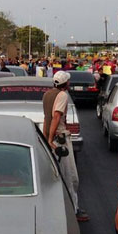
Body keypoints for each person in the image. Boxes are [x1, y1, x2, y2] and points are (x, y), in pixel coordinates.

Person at [43, 71, 89, 222]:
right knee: (71, 177)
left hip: (52, 139)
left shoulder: (47, 95)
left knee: (55, 176)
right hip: (61, 139)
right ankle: (73, 210)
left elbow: (46, 118)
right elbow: (56, 116)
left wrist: (45, 138)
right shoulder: (63, 96)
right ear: (66, 83)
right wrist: (50, 139)